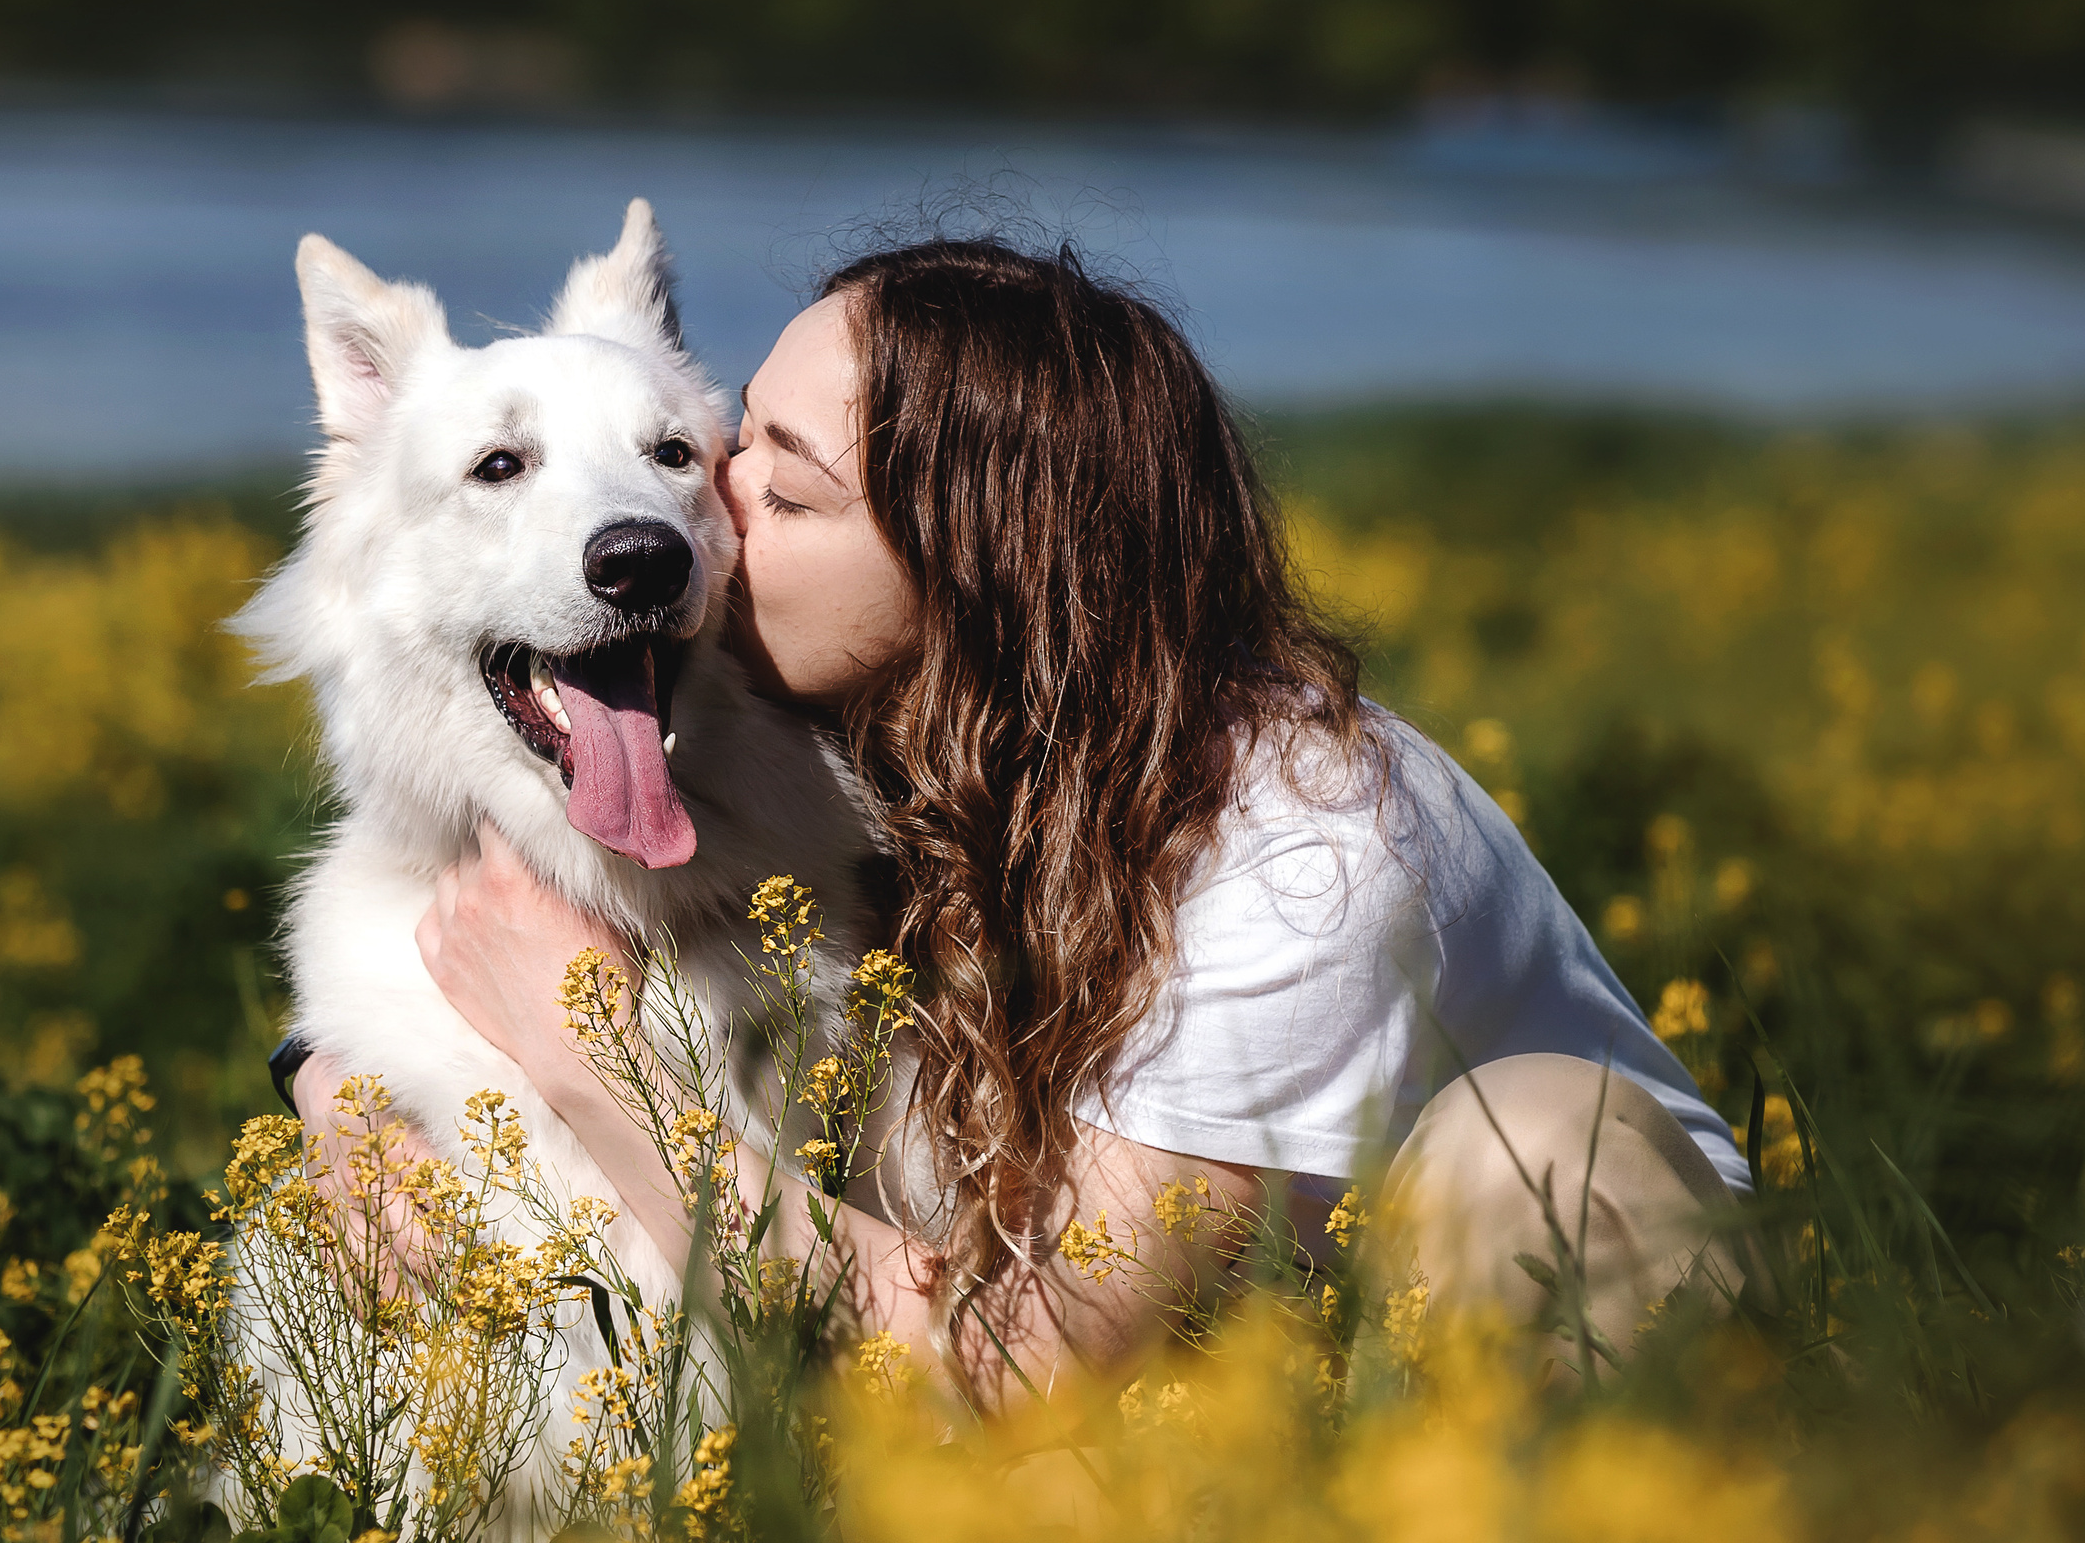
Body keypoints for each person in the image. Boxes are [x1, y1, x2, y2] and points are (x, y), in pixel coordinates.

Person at [289, 236, 1756, 1411]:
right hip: (1167, 1368)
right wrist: (338, 1089)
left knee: (1540, 1152)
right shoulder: (803, 731)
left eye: (775, 486)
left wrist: (584, 1050)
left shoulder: (1302, 856)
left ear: (975, 566)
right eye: (720, 451)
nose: (687, 519)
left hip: (1459, 1352)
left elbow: (1014, 1372)